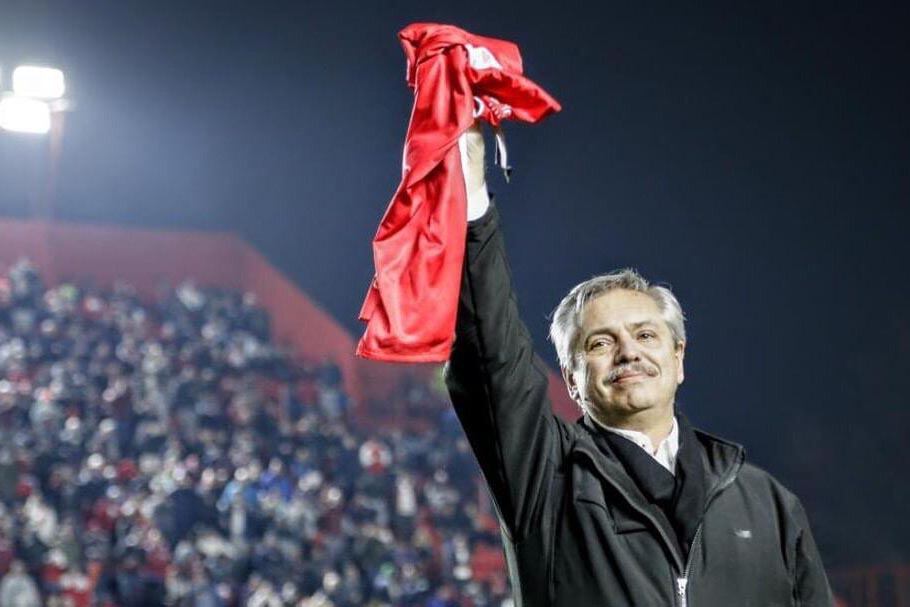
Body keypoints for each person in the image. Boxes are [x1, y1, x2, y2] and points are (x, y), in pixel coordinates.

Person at [444, 125, 834, 606]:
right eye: (602, 343)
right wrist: (472, 206)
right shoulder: (547, 476)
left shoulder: (767, 502)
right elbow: (491, 359)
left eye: (646, 335)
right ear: (571, 378)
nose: (629, 352)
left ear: (679, 358)